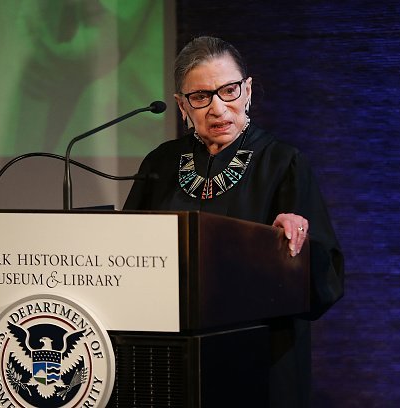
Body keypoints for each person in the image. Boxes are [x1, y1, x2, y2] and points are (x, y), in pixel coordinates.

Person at [124, 36, 344, 407]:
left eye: (229, 90)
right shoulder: (160, 165)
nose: (217, 108)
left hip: (261, 360)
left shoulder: (282, 163)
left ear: (248, 90)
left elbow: (326, 278)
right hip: (173, 358)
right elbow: (128, 251)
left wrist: (297, 247)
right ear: (182, 105)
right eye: (201, 97)